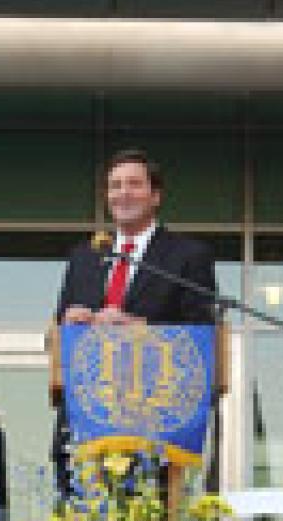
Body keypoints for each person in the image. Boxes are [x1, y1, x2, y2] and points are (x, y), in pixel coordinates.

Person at [52, 148, 219, 493]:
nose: (122, 194)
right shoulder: (85, 256)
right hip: (85, 425)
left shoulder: (187, 256)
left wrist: (136, 327)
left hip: (155, 427)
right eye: (115, 186)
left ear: (155, 196)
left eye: (133, 184)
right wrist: (68, 322)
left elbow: (200, 333)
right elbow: (56, 338)